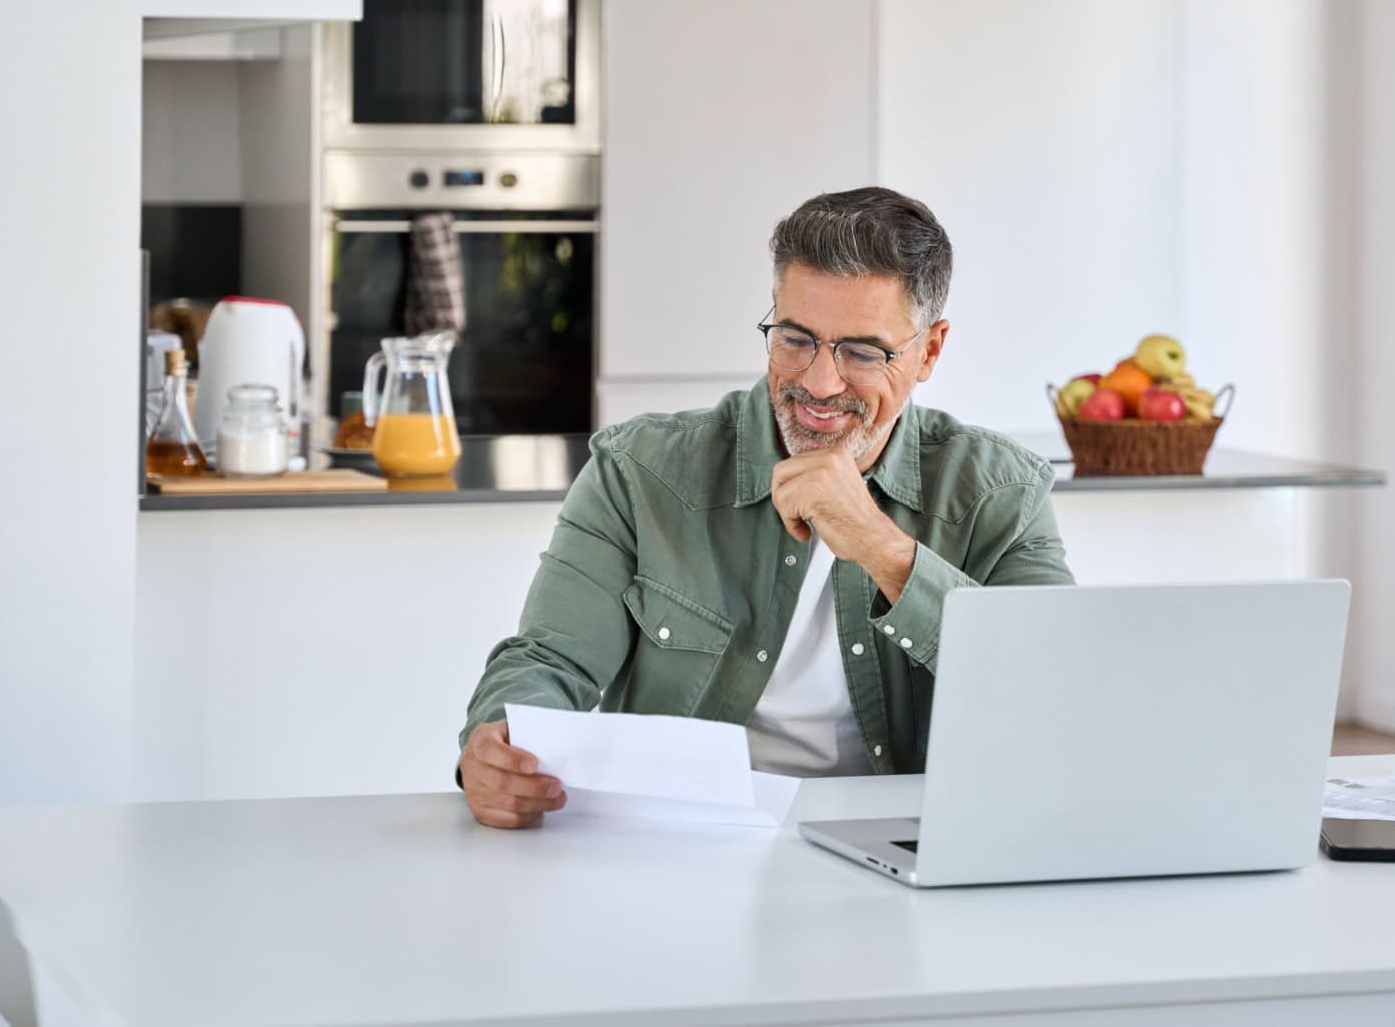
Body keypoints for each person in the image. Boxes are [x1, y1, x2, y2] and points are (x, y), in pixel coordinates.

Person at [456, 187, 1074, 828]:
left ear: (931, 350)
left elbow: (1057, 698)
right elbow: (549, 661)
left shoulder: (1002, 492)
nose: (819, 382)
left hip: (902, 846)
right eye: (795, 338)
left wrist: (878, 544)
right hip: (681, 844)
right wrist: (499, 741)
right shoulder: (639, 470)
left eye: (862, 353)